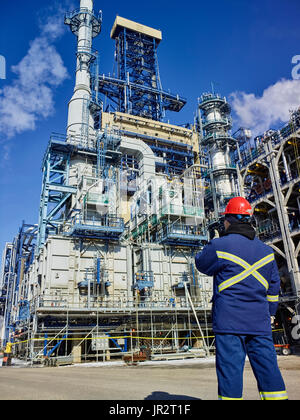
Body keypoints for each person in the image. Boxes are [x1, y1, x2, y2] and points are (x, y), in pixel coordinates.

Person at [195, 196, 288, 400]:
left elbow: (201, 263)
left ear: (229, 220)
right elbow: (273, 291)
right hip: (259, 322)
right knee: (269, 371)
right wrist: (270, 314)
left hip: (229, 323)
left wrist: (214, 241)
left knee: (230, 375)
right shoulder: (267, 252)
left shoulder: (220, 245)